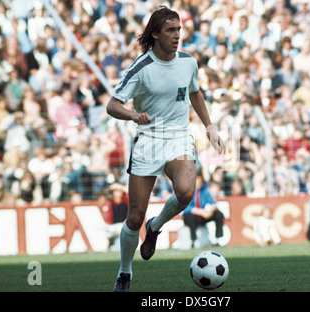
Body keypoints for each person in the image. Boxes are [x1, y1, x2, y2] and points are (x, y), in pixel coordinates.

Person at [106, 7, 225, 292]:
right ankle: (125, 273)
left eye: (179, 30)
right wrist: (133, 115)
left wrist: (209, 126)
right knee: (134, 216)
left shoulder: (188, 62)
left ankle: (156, 226)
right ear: (156, 33)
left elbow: (195, 91)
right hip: (148, 139)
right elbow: (112, 105)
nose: (177, 36)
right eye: (170, 31)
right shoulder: (140, 67)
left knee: (185, 192)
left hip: (179, 136)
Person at [182, 170, 225, 248]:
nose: (198, 183)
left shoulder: (204, 190)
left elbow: (213, 203)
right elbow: (185, 207)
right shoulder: (187, 191)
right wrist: (200, 212)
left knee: (219, 214)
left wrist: (210, 211)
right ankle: (193, 241)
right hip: (191, 215)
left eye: (200, 181)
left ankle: (218, 239)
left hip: (203, 215)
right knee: (192, 217)